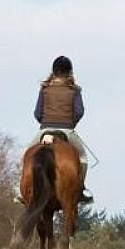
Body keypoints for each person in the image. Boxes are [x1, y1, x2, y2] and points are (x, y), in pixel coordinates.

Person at [31, 55, 93, 203]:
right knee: (83, 159)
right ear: (69, 72)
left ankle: (23, 191)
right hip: (67, 131)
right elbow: (79, 112)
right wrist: (70, 123)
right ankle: (80, 190)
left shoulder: (44, 89)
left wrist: (46, 123)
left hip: (44, 129)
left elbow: (37, 113)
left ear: (54, 71)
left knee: (27, 156)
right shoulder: (75, 90)